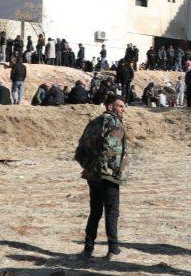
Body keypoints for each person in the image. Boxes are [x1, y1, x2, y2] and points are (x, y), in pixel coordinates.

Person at [75, 95, 129, 260]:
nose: (123, 109)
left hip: (93, 174)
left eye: (123, 106)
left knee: (95, 212)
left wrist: (89, 167)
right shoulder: (114, 123)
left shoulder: (94, 122)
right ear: (110, 107)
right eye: (119, 106)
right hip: (108, 174)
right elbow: (113, 150)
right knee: (112, 212)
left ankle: (88, 248)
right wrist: (113, 172)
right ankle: (113, 249)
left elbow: (80, 149)